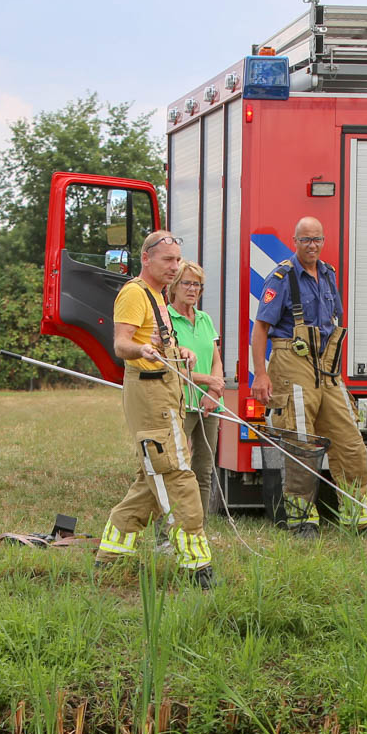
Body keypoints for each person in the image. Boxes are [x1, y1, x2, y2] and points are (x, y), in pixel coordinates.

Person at [96, 231, 216, 588]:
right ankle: (196, 564)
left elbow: (159, 340)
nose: (175, 267)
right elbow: (122, 344)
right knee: (177, 473)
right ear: (146, 259)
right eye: (168, 260)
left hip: (168, 391)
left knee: (151, 478)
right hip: (150, 393)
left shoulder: (158, 296)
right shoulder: (134, 293)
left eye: (178, 259)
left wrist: (180, 352)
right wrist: (140, 350)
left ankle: (111, 555)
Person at [249, 217, 367, 538]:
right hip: (291, 363)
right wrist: (260, 374)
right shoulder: (282, 277)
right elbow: (260, 329)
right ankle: (302, 519)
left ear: (323, 241)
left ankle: (359, 518)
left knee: (349, 440)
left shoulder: (328, 274)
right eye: (306, 240)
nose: (312, 246)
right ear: (295, 241)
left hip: (326, 367)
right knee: (301, 441)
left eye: (317, 240)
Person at [167, 260, 224, 510]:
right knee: (175, 468)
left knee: (204, 470)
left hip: (209, 405)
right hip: (181, 403)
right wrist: (207, 380)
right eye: (187, 283)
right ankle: (172, 524)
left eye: (197, 285)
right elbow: (170, 367)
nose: (192, 289)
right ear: (174, 286)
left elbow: (216, 360)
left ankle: (199, 526)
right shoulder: (166, 319)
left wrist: (213, 391)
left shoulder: (205, 319)